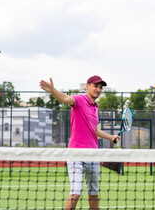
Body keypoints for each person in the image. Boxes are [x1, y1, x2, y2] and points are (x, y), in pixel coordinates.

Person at [39, 75, 120, 210]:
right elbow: (65, 98)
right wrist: (53, 90)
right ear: (87, 86)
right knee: (75, 193)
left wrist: (111, 137)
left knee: (93, 194)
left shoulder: (95, 107)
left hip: (93, 155)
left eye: (100, 87)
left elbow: (96, 130)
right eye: (95, 86)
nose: (98, 89)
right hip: (76, 154)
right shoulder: (79, 100)